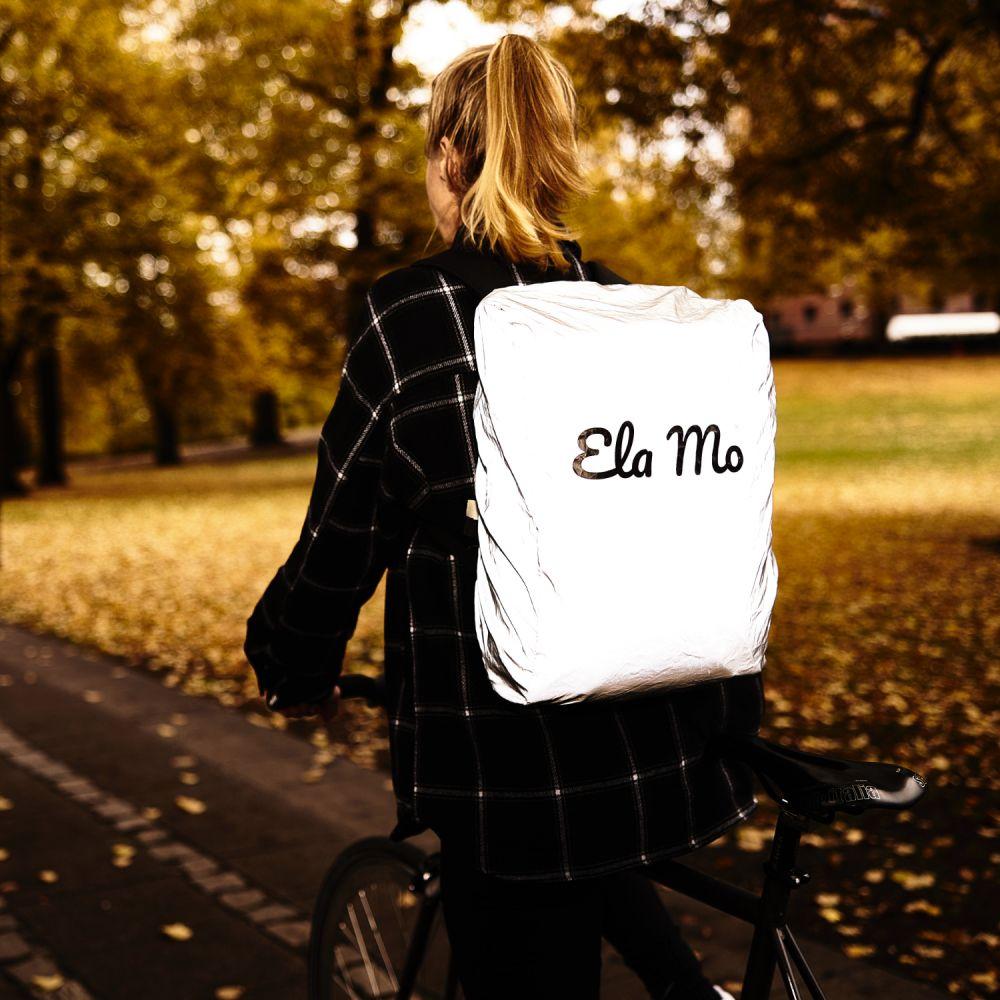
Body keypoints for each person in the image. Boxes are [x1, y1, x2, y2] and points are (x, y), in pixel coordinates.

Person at [244, 33, 764, 1000]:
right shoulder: (623, 311)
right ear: (557, 160)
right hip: (651, 732)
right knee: (600, 875)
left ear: (449, 157)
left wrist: (291, 660)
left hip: (501, 758)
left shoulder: (415, 316)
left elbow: (344, 534)